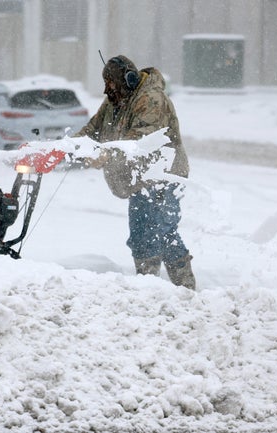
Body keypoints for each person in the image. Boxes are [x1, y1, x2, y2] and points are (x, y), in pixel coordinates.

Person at [73, 55, 196, 289]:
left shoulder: (151, 99)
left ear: (129, 79)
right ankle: (152, 290)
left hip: (163, 176)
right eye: (107, 83)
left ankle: (183, 291)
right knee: (143, 237)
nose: (109, 89)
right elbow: (93, 130)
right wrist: (67, 147)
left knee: (158, 234)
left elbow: (140, 140)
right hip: (141, 178)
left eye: (113, 84)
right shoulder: (115, 100)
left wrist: (105, 155)